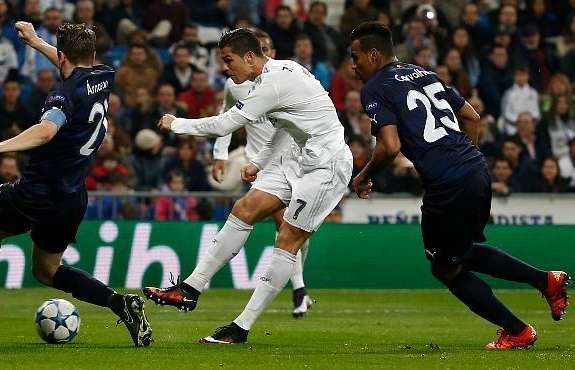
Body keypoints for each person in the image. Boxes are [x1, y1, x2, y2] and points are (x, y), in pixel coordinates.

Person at [0, 21, 152, 348]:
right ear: (93, 54)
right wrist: (36, 42)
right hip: (72, 197)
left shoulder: (62, 94)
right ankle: (120, 303)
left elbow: (45, 131)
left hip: (37, 190)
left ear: (62, 55)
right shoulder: (103, 76)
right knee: (46, 270)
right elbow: (69, 62)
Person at [349, 21, 569, 349]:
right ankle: (545, 281)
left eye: (356, 57)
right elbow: (472, 118)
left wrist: (364, 175)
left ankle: (518, 330)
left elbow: (389, 147)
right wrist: (467, 162)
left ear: (374, 54)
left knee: (445, 269)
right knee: (460, 253)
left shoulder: (376, 87)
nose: (353, 66)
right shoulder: (425, 73)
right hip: (476, 169)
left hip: (447, 183)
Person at [146, 28, 353, 343]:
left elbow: (225, 123)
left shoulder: (273, 82)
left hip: (327, 165)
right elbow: (286, 126)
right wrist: (259, 161)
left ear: (250, 56)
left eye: (229, 60)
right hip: (296, 158)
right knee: (244, 208)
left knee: (287, 237)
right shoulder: (278, 75)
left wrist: (178, 124)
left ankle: (241, 327)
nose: (225, 69)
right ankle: (189, 289)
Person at [211, 30, 314, 318]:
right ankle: (299, 292)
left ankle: (299, 288)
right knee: (285, 227)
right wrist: (220, 155)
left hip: (294, 162)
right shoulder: (236, 86)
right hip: (262, 167)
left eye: (267, 48)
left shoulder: (283, 81)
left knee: (294, 233)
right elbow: (225, 117)